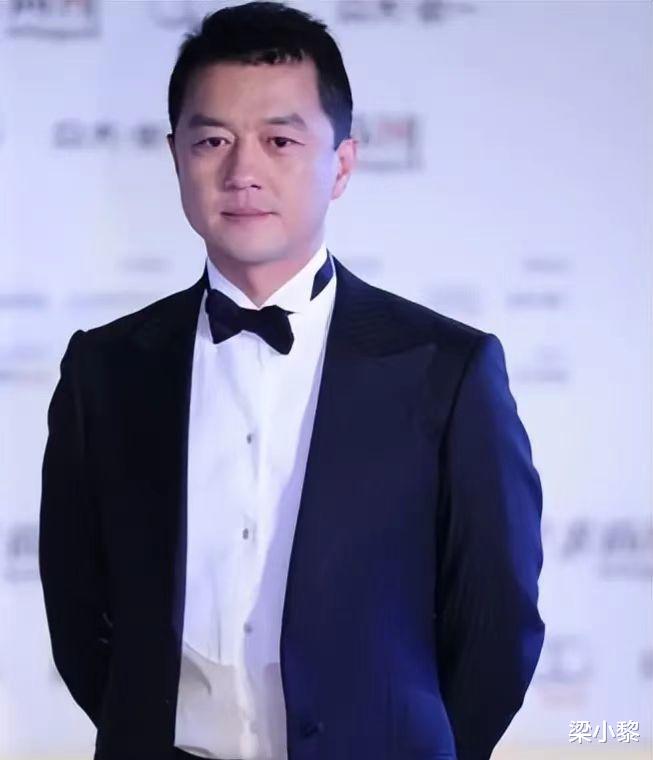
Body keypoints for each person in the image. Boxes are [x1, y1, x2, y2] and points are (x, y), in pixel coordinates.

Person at [38, 3, 545, 759]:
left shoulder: (446, 369)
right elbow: (80, 618)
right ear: (176, 156)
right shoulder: (106, 369)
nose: (242, 172)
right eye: (212, 140)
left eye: (279, 140)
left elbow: (496, 626)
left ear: (341, 164)